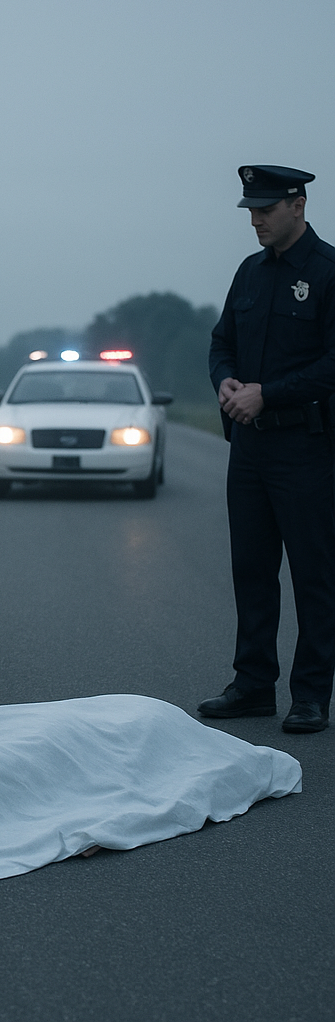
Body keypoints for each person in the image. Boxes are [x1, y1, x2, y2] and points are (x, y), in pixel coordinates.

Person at [199, 164, 335, 733]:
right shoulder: (249, 273)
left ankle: (310, 696)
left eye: (266, 209)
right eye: (251, 209)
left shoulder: (328, 273)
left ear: (297, 206)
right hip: (250, 449)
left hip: (306, 447)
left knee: (313, 573)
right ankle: (253, 684)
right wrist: (226, 382)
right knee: (252, 570)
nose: (255, 219)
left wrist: (269, 395)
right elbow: (221, 342)